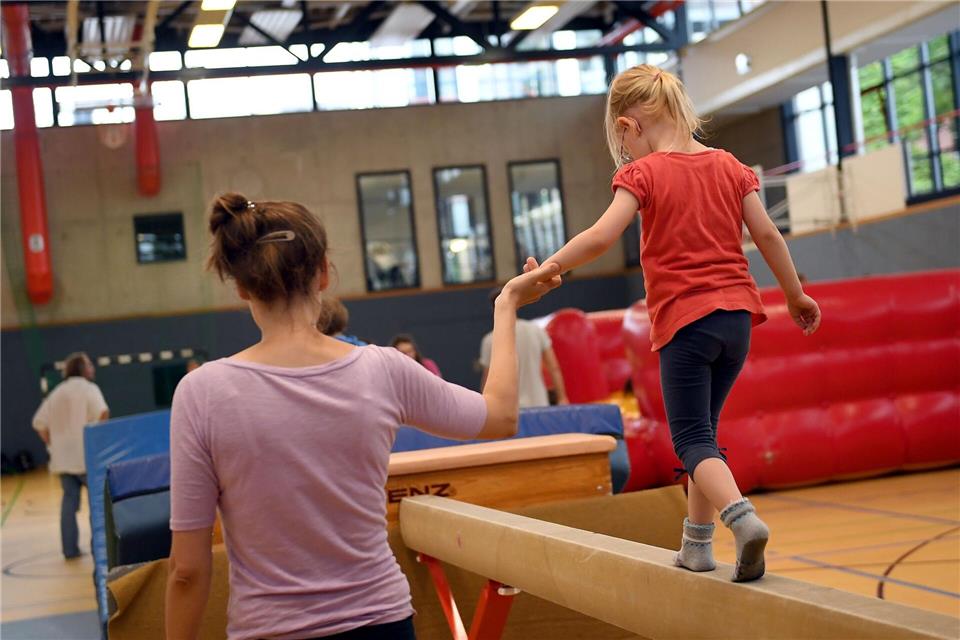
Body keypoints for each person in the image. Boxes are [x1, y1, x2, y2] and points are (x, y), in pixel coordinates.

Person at [165, 193, 560, 640]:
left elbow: (187, 571)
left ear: (240, 286)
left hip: (272, 630)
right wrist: (505, 305)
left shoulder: (201, 393)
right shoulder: (381, 369)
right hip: (380, 623)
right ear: (323, 274)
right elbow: (501, 416)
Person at [526, 64, 821, 582]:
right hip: (737, 322)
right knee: (703, 435)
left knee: (689, 439)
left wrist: (551, 267)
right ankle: (697, 547)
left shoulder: (642, 173)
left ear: (628, 127)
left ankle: (743, 519)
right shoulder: (729, 165)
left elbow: (599, 237)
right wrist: (795, 294)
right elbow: (769, 237)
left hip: (686, 321)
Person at [32, 352, 110, 559]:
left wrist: (52, 442)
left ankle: (69, 550)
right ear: (82, 369)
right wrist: (98, 437)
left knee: (68, 503)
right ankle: (99, 548)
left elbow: (39, 423)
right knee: (97, 504)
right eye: (90, 364)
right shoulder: (89, 389)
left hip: (62, 459)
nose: (93, 368)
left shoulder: (56, 392)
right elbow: (103, 412)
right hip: (86, 457)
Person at [479, 288, 568, 408]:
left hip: (510, 409)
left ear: (494, 309)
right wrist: (562, 397)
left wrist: (487, 408)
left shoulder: (489, 340)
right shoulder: (536, 331)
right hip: (539, 403)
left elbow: (487, 379)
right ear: (517, 305)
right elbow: (554, 368)